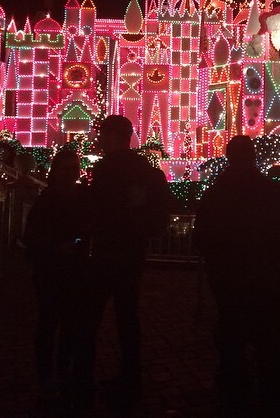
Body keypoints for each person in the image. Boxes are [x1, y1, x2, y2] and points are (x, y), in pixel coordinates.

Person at [193, 135, 280, 417]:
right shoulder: (273, 193)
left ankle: (234, 391)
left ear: (229, 157)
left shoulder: (215, 195)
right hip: (269, 280)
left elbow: (200, 239)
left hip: (228, 280)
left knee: (232, 336)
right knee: (269, 340)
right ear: (254, 156)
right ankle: (271, 393)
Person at [73, 115, 173, 410]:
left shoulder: (105, 170)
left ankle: (83, 378)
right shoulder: (145, 170)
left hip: (105, 253)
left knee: (90, 319)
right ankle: (130, 375)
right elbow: (160, 212)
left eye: (103, 135)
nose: (100, 140)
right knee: (127, 317)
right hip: (132, 254)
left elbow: (92, 210)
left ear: (113, 136)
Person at [23, 149, 86, 402]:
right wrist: (57, 247)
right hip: (50, 271)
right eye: (66, 167)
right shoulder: (46, 200)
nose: (70, 172)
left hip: (75, 271)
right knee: (48, 324)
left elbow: (87, 228)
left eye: (74, 168)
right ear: (56, 170)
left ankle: (62, 370)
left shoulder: (82, 197)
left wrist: (79, 243)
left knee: (71, 324)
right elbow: (32, 238)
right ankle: (45, 376)